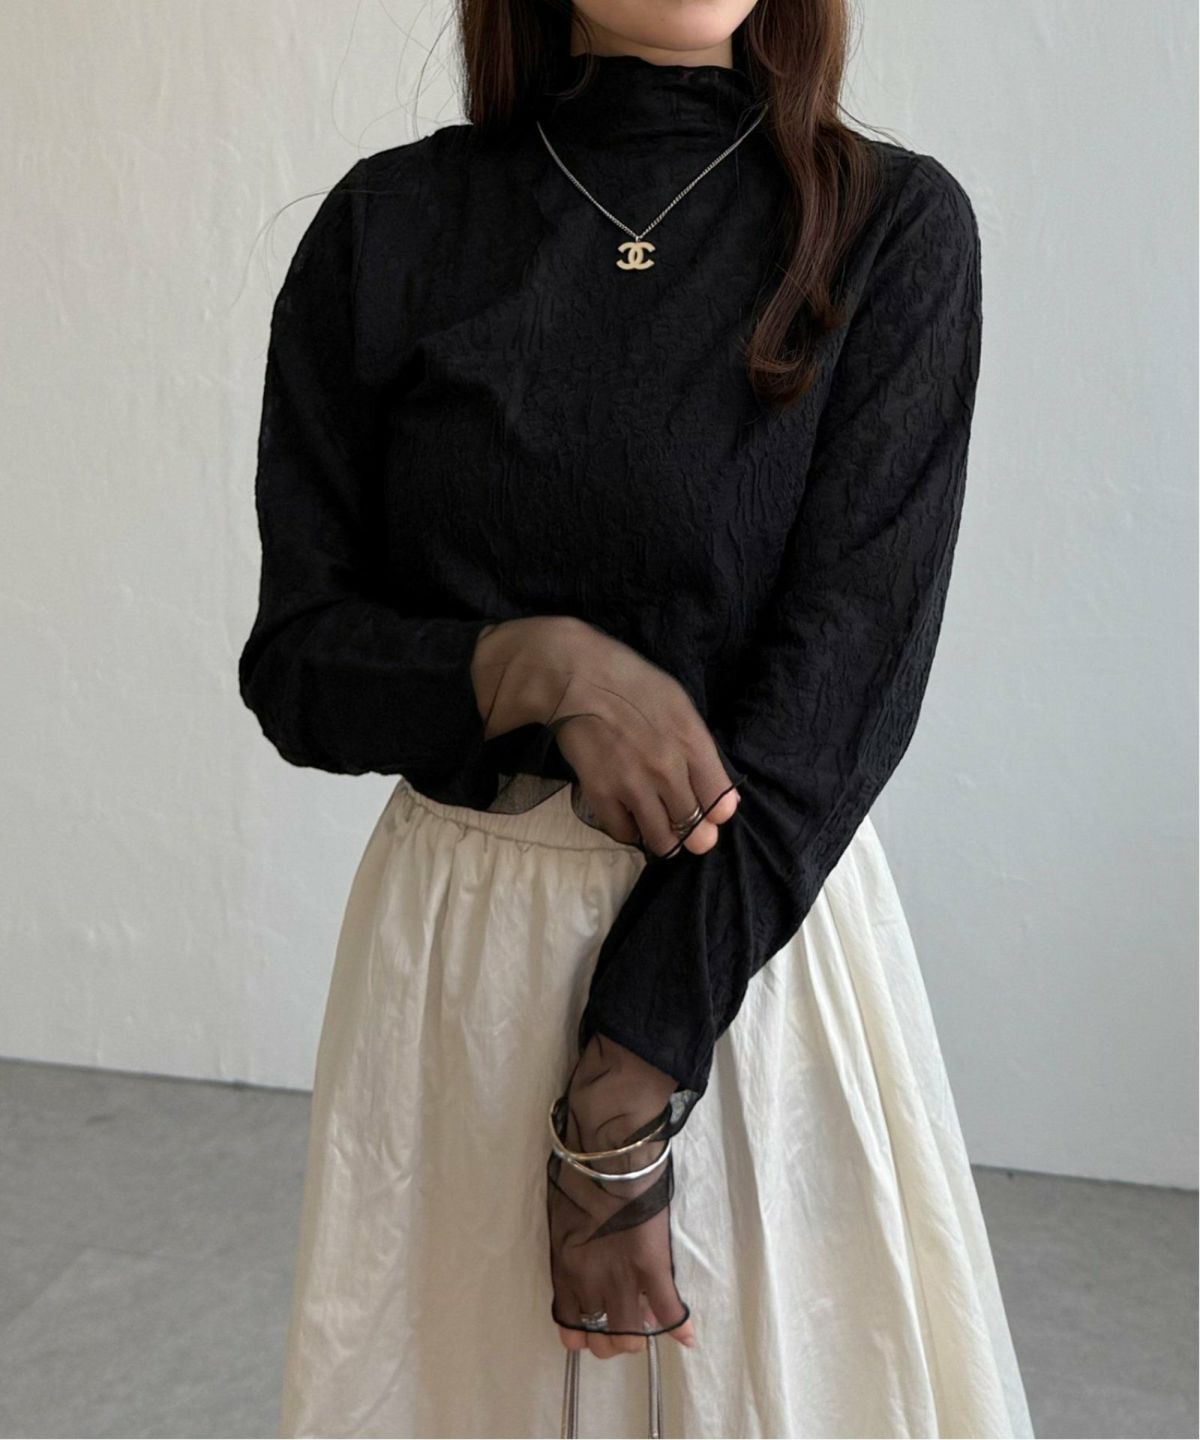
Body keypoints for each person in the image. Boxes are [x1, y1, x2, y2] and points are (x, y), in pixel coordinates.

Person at [238, 1, 1035, 1435]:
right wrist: (536, 669)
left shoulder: (890, 228)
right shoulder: (389, 225)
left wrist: (626, 1083)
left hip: (750, 954)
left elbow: (838, 699)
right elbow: (300, 667)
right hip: (459, 969)